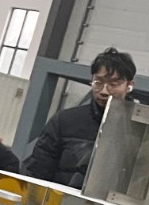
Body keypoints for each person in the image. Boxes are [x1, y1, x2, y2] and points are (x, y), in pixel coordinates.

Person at [22, 47, 136, 188]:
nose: (104, 91)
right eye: (98, 83)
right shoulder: (65, 122)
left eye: (113, 84)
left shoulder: (140, 129)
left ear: (129, 85)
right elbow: (37, 173)